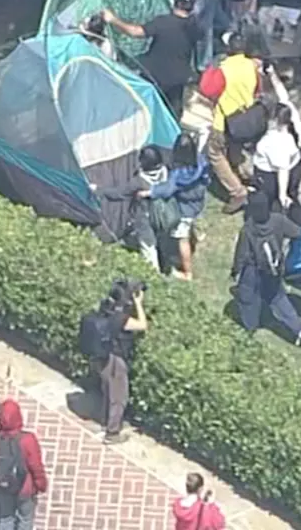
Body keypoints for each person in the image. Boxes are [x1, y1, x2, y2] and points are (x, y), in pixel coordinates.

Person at [231, 191, 301, 346]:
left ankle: (250, 329)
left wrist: (236, 271)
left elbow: (242, 254)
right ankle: (298, 329)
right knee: (278, 298)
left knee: (248, 299)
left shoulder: (248, 229)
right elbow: (298, 233)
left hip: (252, 271)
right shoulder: (278, 220)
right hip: (274, 269)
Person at [103, 0, 196, 118]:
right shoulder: (195, 27)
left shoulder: (163, 22)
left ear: (174, 4)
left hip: (155, 76)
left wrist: (113, 20)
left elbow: (135, 32)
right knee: (173, 115)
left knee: (144, 111)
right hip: (177, 80)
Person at [206, 33, 262, 213]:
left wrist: (211, 68)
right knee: (236, 149)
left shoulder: (224, 68)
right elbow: (257, 88)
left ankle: (237, 191)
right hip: (245, 117)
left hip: (225, 122)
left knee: (215, 154)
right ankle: (249, 176)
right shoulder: (251, 65)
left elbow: (207, 89)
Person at [93, 146, 170, 270]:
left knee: (148, 247)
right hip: (163, 213)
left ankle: (154, 274)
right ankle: (163, 257)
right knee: (158, 237)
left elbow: (118, 194)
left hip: (145, 217)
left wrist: (98, 190)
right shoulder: (165, 171)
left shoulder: (139, 182)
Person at [91, 278, 148, 444]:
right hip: (115, 360)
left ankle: (106, 422)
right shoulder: (121, 318)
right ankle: (112, 433)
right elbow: (142, 325)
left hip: (102, 357)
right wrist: (139, 304)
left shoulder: (106, 307)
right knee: (119, 397)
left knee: (108, 391)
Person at [149, 132, 209, 281]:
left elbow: (167, 190)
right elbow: (207, 179)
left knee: (181, 239)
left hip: (184, 209)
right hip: (197, 202)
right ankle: (196, 238)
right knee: (191, 223)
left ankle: (187, 272)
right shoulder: (201, 161)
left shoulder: (178, 174)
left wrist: (149, 191)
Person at [252, 66, 301, 224]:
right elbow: (283, 95)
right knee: (293, 193)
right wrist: (272, 74)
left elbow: (282, 170)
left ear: (275, 119)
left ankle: (281, 222)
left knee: (275, 202)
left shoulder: (276, 142)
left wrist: (282, 194)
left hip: (271, 177)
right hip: (296, 166)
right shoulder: (293, 117)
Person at [0, 399, 48, 530]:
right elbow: (36, 466)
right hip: (25, 487)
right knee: (25, 519)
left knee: (5, 519)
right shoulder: (28, 439)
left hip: (2, 485)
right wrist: (41, 485)